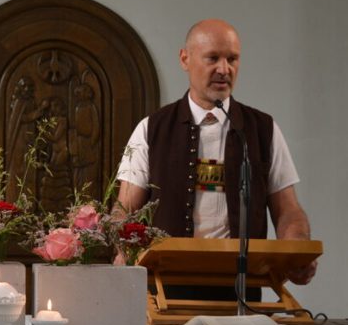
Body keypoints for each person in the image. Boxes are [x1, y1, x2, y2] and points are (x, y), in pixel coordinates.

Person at [116, 19, 316, 296]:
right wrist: (121, 251)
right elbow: (125, 209)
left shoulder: (262, 129)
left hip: (241, 290)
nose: (224, 69)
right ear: (185, 59)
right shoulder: (151, 129)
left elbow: (288, 210)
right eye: (213, 58)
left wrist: (297, 250)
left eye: (232, 59)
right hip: (164, 290)